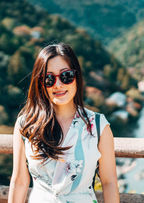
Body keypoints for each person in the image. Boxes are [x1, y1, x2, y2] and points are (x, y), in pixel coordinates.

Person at [8, 43, 119, 203]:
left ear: (77, 77)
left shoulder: (99, 126)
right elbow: (19, 181)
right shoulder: (26, 125)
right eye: (49, 78)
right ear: (40, 83)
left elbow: (109, 183)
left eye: (66, 76)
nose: (58, 85)